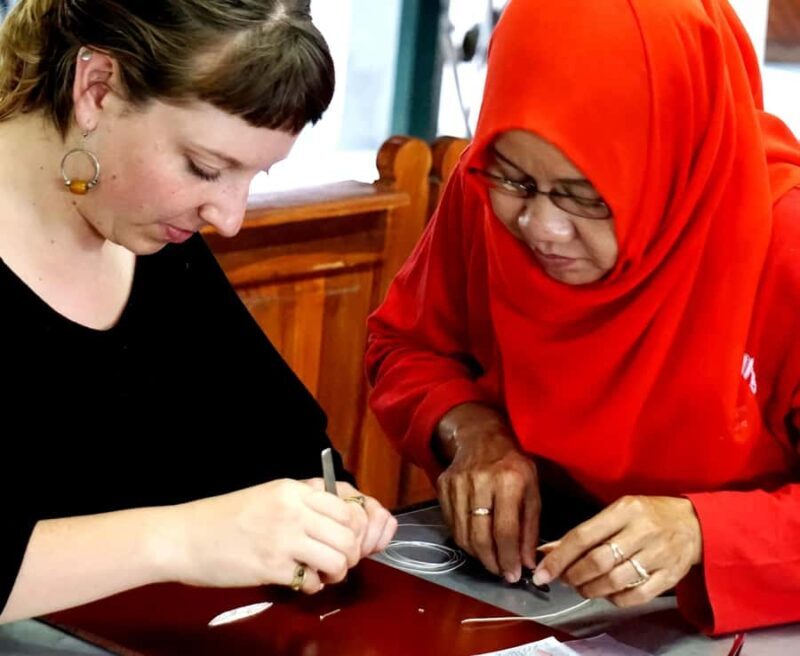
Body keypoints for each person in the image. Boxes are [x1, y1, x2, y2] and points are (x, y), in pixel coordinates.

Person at [366, 0, 800, 635]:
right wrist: (470, 428)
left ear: (677, 163)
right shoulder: (483, 194)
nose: (541, 228)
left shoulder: (781, 246)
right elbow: (406, 344)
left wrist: (702, 530)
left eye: (585, 195)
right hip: (529, 592)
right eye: (517, 182)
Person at [0, 0, 396, 624]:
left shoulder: (159, 245)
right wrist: (184, 539)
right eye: (205, 168)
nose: (230, 219)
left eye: (253, 177)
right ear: (97, 89)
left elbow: (289, 450)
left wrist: (328, 513)